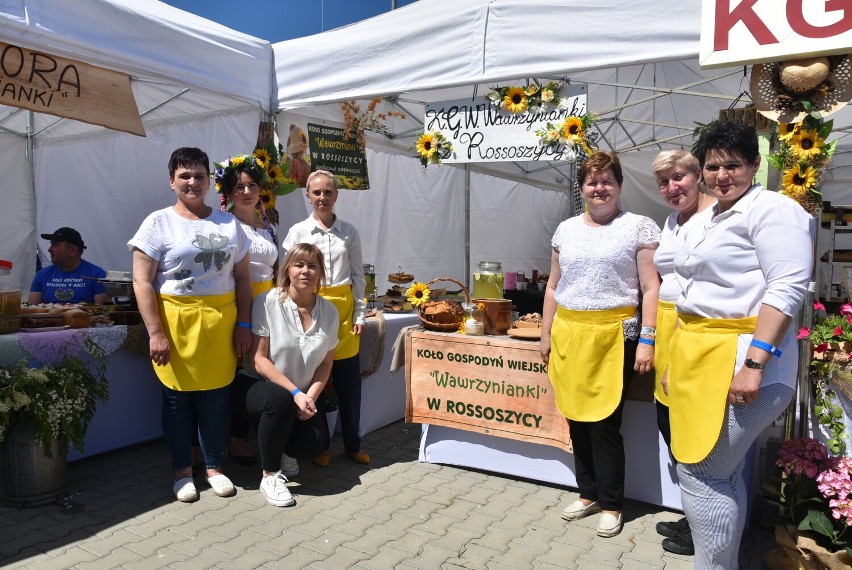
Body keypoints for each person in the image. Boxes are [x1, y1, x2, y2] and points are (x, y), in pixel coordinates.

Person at [668, 121, 813, 568]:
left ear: (755, 164)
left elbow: (787, 287)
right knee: (717, 471)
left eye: (733, 165)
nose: (722, 174)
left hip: (743, 357)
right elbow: (690, 294)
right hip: (700, 353)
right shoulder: (709, 215)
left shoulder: (772, 209)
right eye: (713, 166)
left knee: (704, 471)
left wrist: (754, 363)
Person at [539, 151, 660, 538]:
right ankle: (588, 493)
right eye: (592, 182)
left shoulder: (639, 227)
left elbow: (650, 287)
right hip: (569, 334)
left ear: (620, 186)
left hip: (613, 335)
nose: (600, 188)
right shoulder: (565, 230)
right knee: (575, 418)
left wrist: (647, 339)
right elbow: (554, 285)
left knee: (605, 423)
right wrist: (546, 332)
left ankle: (612, 503)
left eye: (607, 181)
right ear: (581, 189)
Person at [128, 147, 253, 503]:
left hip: (220, 324)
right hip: (174, 324)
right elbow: (142, 282)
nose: (192, 182)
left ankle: (214, 467)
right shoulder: (157, 223)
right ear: (172, 181)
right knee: (177, 401)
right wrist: (155, 332)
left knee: (216, 400)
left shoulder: (229, 224)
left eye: (199, 175)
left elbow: (243, 280)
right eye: (185, 175)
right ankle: (183, 469)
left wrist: (243, 323)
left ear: (209, 182)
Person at [236, 243, 339, 506]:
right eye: (299, 264)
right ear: (287, 270)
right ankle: (269, 475)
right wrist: (295, 393)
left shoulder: (330, 312)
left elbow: (326, 364)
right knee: (280, 402)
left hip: (301, 393)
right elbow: (258, 359)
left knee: (316, 443)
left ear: (321, 273)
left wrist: (310, 397)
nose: (306, 271)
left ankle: (285, 451)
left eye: (313, 265)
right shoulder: (268, 302)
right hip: (259, 385)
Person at [649, 149, 716, 556]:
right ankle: (693, 514)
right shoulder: (672, 221)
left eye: (679, 178)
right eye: (663, 182)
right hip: (668, 328)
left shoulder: (718, 216)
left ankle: (706, 529)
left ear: (697, 175)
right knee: (669, 425)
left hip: (699, 327)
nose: (672, 188)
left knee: (698, 431)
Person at [282, 169, 369, 466]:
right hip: (310, 307)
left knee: (348, 383)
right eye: (316, 192)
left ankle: (352, 444)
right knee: (313, 382)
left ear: (336, 196)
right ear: (308, 196)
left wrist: (360, 312)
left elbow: (358, 276)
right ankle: (318, 446)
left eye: (328, 192)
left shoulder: (349, 232)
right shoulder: (297, 232)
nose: (322, 198)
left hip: (343, 310)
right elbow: (287, 276)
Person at [213, 154, 279, 467]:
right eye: (239, 187)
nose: (246, 192)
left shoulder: (270, 225)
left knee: (257, 372)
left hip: (269, 307)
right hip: (237, 305)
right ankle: (224, 440)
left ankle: (245, 436)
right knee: (234, 373)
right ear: (228, 192)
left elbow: (276, 269)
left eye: (252, 185)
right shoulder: (222, 225)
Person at [29, 227, 109, 304]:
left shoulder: (97, 276)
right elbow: (32, 310)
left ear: (72, 251)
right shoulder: (41, 275)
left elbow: (103, 313)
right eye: (51, 244)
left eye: (55, 245)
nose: (49, 249)